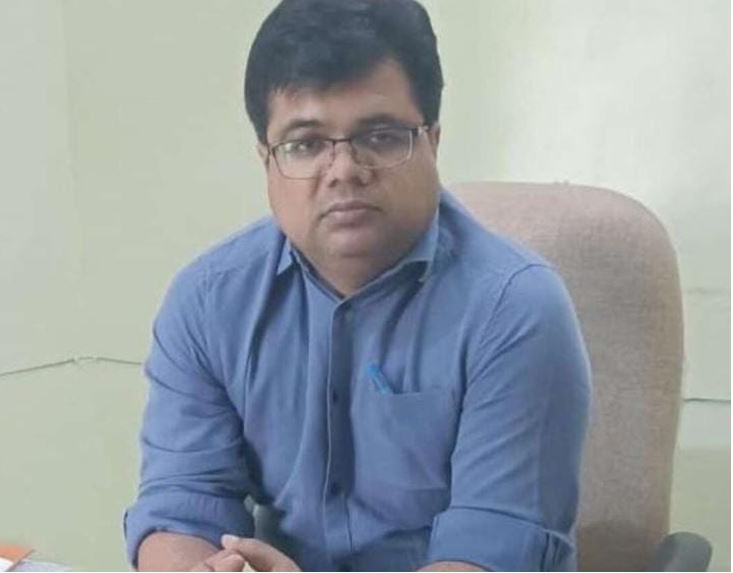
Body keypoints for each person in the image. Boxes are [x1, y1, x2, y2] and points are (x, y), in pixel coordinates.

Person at [124, 0, 591, 570]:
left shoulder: (515, 309)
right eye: (305, 144)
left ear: (432, 141)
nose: (344, 170)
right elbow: (181, 504)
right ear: (267, 161)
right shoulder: (207, 303)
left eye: (381, 136)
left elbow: (488, 552)